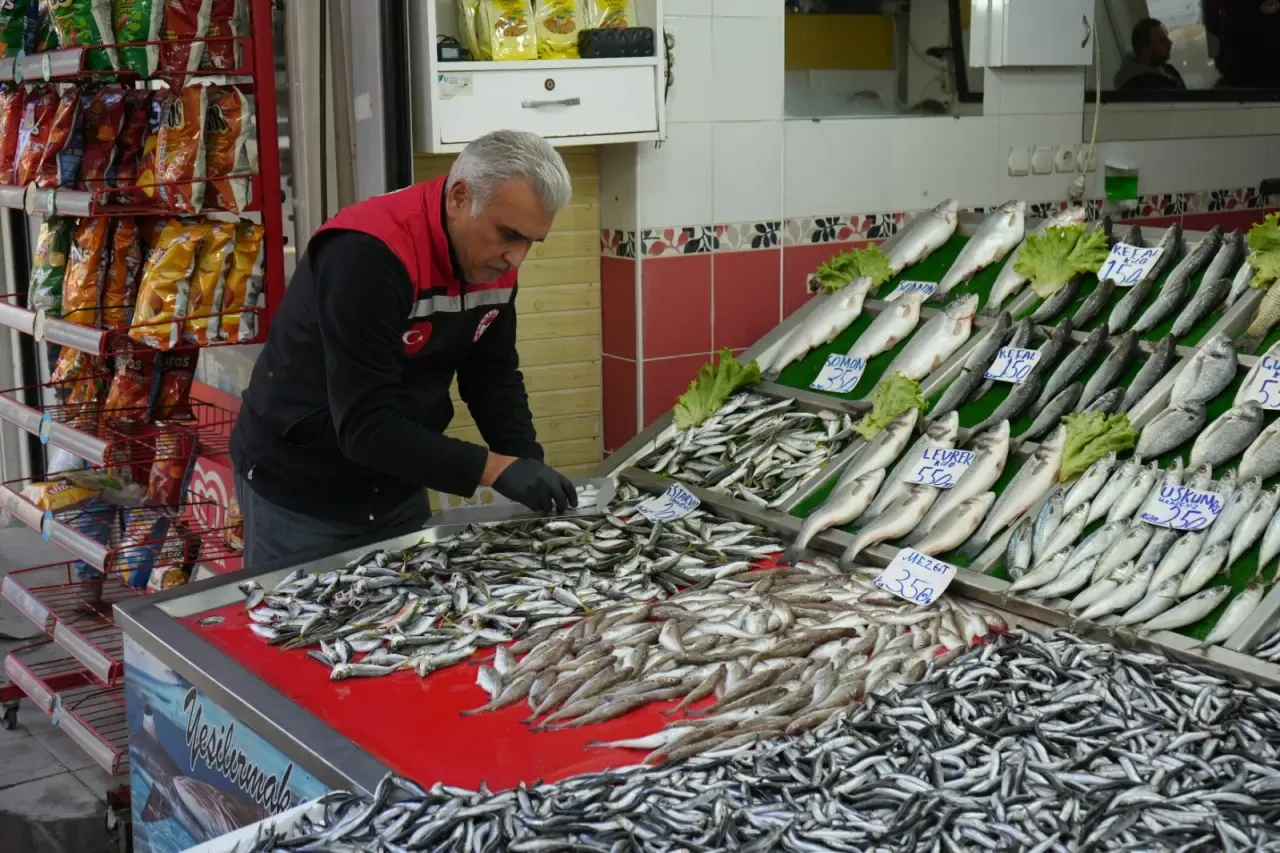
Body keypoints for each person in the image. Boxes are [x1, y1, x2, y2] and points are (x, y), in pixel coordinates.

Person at [230, 130, 579, 567]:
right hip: (302, 487)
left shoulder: (493, 261)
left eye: (531, 241)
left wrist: (528, 464)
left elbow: (493, 379)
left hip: (397, 476)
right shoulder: (367, 255)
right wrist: (495, 470)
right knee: (298, 627)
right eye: (508, 234)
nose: (516, 258)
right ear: (458, 197)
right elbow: (364, 425)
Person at [1114, 18, 1187, 91]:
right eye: (1162, 41)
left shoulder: (1169, 70)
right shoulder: (1135, 87)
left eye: (1167, 38)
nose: (1170, 43)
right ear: (1145, 50)